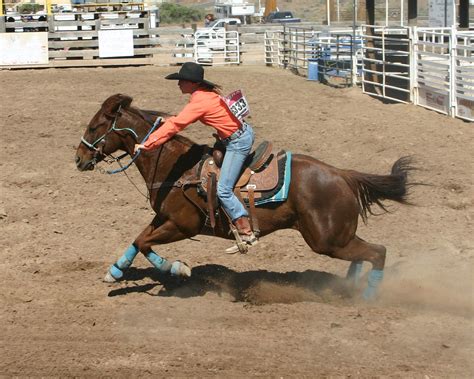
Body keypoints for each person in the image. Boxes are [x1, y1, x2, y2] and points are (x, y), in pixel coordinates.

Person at [134, 62, 257, 251]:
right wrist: (169, 120)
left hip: (237, 142)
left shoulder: (200, 101)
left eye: (181, 80)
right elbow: (180, 119)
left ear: (192, 83)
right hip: (237, 135)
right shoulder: (205, 96)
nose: (178, 84)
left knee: (223, 189)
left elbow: (177, 125)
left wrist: (147, 144)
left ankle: (246, 230)